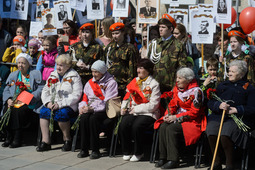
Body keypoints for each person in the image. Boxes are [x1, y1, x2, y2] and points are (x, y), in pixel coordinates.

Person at [206, 60, 255, 170]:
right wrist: (218, 105)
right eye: (229, 71)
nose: (229, 73)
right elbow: (210, 102)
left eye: (233, 71)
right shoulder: (222, 85)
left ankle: (230, 164)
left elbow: (252, 108)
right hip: (219, 116)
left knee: (226, 133)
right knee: (211, 130)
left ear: (241, 74)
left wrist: (236, 110)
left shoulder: (249, 88)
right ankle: (216, 162)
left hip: (238, 118)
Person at [154, 67, 206, 169]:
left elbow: (194, 113)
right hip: (177, 117)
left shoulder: (196, 92)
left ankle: (173, 159)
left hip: (192, 121)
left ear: (188, 80)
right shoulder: (177, 90)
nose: (177, 80)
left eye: (180, 78)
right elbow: (172, 105)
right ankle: (163, 157)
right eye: (177, 78)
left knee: (171, 129)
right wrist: (168, 115)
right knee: (163, 126)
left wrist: (176, 117)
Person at [37, 54, 83, 152]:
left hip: (68, 105)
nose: (58, 67)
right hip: (52, 104)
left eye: (61, 65)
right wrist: (48, 102)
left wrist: (60, 104)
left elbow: (77, 95)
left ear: (68, 66)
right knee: (44, 112)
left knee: (61, 113)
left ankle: (67, 139)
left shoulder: (74, 76)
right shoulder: (53, 74)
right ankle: (46, 141)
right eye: (57, 64)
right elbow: (45, 91)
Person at [119, 59, 161, 162]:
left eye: (141, 68)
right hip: (134, 111)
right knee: (123, 123)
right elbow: (127, 97)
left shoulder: (154, 84)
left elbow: (153, 105)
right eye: (138, 67)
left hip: (149, 113)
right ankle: (126, 150)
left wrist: (136, 109)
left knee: (137, 126)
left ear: (148, 70)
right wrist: (123, 107)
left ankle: (139, 152)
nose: (138, 70)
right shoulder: (135, 81)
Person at [77, 60, 118, 159]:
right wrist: (82, 108)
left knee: (93, 119)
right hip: (90, 109)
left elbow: (108, 102)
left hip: (104, 111)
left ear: (102, 72)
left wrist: (93, 109)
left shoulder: (111, 83)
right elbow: (85, 98)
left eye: (96, 72)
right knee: (83, 118)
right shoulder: (90, 82)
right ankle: (84, 149)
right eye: (92, 72)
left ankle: (95, 150)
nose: (93, 74)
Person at [2, 53, 43, 148]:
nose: (20, 65)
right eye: (19, 63)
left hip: (29, 101)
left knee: (18, 111)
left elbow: (41, 88)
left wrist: (29, 98)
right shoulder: (13, 75)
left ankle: (17, 137)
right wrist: (8, 99)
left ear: (28, 64)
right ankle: (9, 136)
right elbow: (7, 88)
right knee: (6, 110)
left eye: (23, 63)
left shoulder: (35, 74)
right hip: (15, 100)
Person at [147, 14, 187, 93]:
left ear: (171, 29)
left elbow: (182, 67)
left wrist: (177, 85)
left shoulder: (178, 45)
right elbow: (148, 64)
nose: (160, 29)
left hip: (170, 86)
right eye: (160, 27)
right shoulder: (154, 44)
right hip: (154, 85)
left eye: (163, 27)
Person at [104, 22, 137, 98]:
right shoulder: (110, 47)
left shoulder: (130, 48)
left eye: (117, 33)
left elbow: (132, 68)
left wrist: (130, 85)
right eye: (113, 34)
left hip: (123, 84)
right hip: (110, 83)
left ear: (123, 33)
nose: (114, 36)